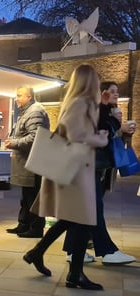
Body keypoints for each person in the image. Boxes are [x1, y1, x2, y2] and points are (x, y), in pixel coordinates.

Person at [23, 64, 108, 290]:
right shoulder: (80, 103)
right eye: (97, 80)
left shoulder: (81, 103)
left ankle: (40, 254)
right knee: (83, 220)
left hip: (76, 170)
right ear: (89, 81)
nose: (99, 83)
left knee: (76, 220)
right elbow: (76, 134)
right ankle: (73, 274)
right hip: (75, 172)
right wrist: (101, 138)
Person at [64, 81, 136, 265]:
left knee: (84, 209)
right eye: (111, 91)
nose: (115, 95)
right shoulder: (92, 108)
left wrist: (120, 127)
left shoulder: (102, 109)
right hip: (87, 166)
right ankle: (107, 251)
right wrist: (118, 126)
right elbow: (101, 132)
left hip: (92, 166)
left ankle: (72, 251)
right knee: (92, 208)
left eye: (117, 92)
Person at [5, 86, 49, 238]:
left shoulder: (35, 111)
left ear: (29, 96)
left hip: (34, 162)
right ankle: (24, 224)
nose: (16, 98)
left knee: (34, 197)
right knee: (26, 196)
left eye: (19, 95)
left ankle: (36, 228)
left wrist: (14, 143)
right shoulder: (27, 111)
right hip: (28, 161)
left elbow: (35, 137)